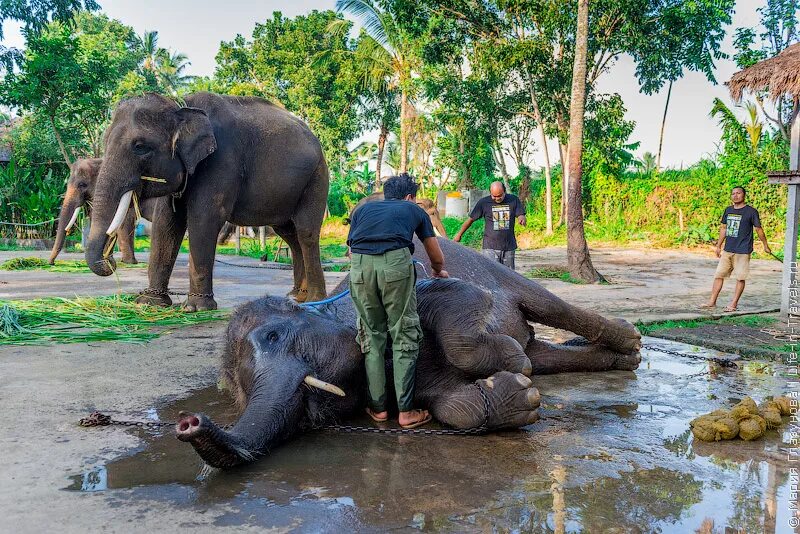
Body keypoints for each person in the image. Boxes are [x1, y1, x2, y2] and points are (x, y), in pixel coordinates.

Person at [347, 173, 449, 429]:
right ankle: (405, 411)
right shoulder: (414, 210)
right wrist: (438, 271)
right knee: (404, 333)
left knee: (371, 335)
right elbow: (435, 254)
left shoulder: (364, 209)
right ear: (410, 197)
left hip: (359, 268)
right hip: (395, 265)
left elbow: (350, 249)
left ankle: (379, 408)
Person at [701, 186, 772, 312]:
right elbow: (723, 228)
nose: (735, 195)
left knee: (740, 277)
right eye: (733, 193)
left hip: (743, 251)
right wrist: (718, 246)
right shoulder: (728, 210)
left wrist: (765, 245)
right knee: (719, 275)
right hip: (728, 249)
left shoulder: (751, 211)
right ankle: (712, 301)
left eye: (738, 193)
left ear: (744, 195)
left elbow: (758, 229)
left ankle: (733, 304)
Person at [452, 181, 526, 270]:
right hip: (490, 247)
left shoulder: (513, 200)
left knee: (509, 276)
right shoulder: (483, 203)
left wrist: (522, 218)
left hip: (508, 246)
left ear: (504, 192)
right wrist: (459, 234)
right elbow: (470, 220)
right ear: (490, 193)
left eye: (500, 196)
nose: (497, 198)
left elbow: (520, 214)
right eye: (494, 196)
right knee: (491, 274)